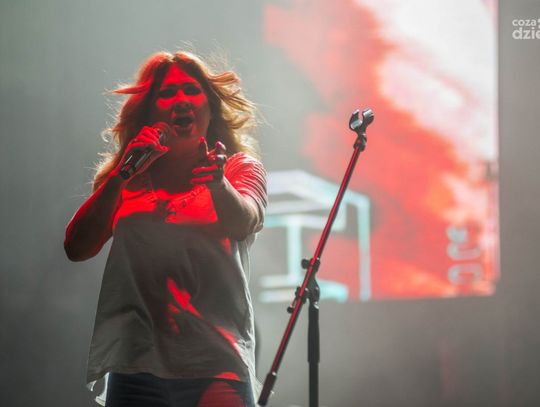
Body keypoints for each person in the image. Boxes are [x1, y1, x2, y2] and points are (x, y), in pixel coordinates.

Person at [64, 50, 267, 407]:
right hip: (134, 365)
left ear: (210, 106)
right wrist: (122, 175)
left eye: (191, 90)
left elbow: (245, 221)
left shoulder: (239, 168)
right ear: (149, 112)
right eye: (167, 93)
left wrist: (218, 184)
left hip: (214, 364)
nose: (181, 100)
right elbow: (77, 248)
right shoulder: (127, 177)